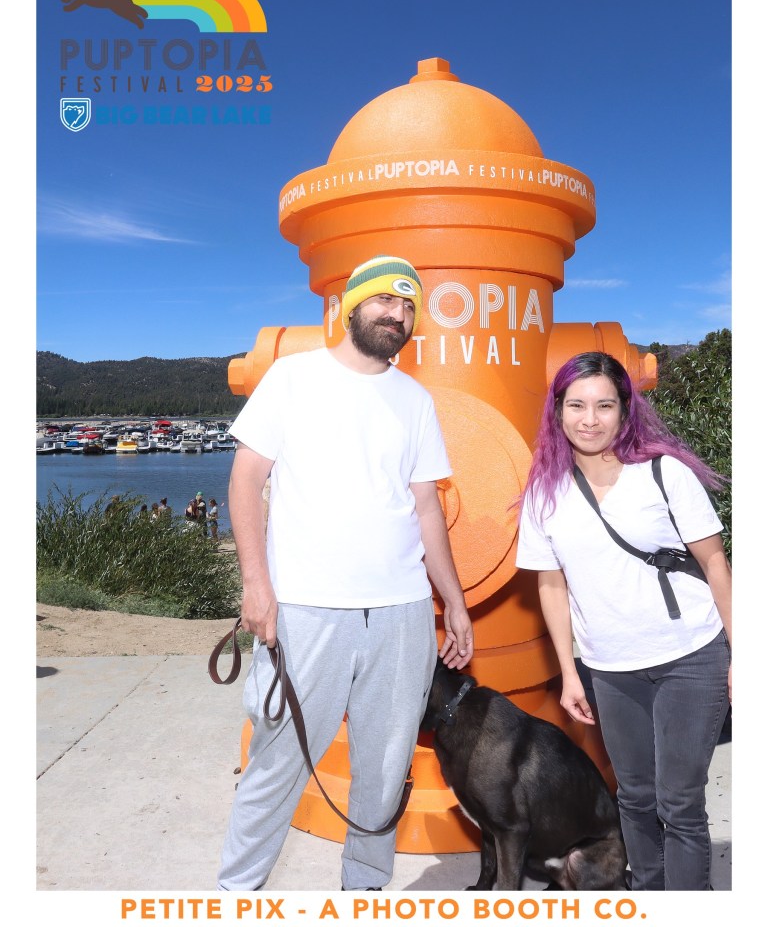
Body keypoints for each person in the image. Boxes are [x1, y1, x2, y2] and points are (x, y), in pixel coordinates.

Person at [217, 255, 473, 892]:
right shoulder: (291, 378)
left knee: (385, 767)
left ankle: (364, 891)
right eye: (386, 300)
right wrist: (256, 586)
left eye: (409, 306)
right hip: (306, 608)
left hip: (402, 612)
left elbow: (425, 507)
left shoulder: (415, 400)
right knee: (279, 759)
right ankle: (236, 893)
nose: (398, 315)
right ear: (352, 306)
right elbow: (245, 481)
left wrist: (454, 601)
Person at [516, 351, 731, 891]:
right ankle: (648, 896)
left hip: (690, 656)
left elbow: (715, 565)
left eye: (604, 405)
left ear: (625, 410)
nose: (590, 419)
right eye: (577, 405)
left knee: (678, 802)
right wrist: (569, 673)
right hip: (611, 668)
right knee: (634, 796)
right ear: (557, 411)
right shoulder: (544, 494)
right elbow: (551, 586)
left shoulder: (663, 474)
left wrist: (745, 655)